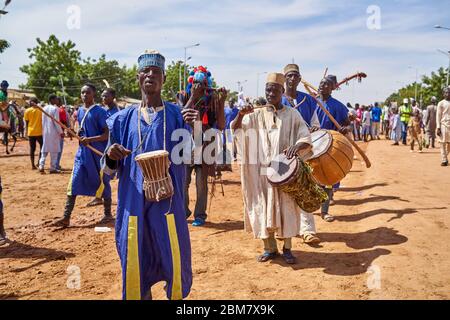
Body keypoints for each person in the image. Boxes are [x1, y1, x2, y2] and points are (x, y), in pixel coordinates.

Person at [103, 49, 192, 300]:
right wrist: (111, 155)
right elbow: (108, 170)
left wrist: (192, 128)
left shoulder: (177, 115)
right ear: (138, 77)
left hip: (168, 200)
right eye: (145, 71)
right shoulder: (121, 119)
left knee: (174, 255)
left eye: (156, 72)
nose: (150, 75)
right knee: (134, 254)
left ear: (163, 78)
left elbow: (189, 157)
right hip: (133, 201)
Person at [231, 72, 314, 264]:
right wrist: (240, 114)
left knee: (286, 207)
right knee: (262, 206)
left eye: (275, 90)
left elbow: (305, 136)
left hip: (284, 172)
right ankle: (269, 248)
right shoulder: (255, 114)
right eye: (268, 90)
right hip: (260, 174)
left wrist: (297, 146)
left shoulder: (292, 114)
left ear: (282, 92)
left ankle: (287, 248)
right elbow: (236, 130)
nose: (271, 93)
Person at [52, 83, 112, 227]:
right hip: (82, 154)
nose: (85, 95)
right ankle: (66, 217)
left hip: (97, 153)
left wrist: (90, 140)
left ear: (94, 94)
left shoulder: (100, 112)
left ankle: (108, 214)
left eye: (88, 92)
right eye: (82, 92)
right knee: (74, 182)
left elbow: (107, 134)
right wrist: (79, 133)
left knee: (102, 181)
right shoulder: (79, 111)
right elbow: (83, 128)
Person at [178, 66, 226, 227]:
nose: (199, 85)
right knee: (183, 181)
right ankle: (183, 212)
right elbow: (180, 117)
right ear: (191, 83)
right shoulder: (183, 96)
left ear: (208, 83)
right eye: (196, 83)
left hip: (205, 144)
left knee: (201, 182)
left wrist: (222, 101)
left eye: (203, 82)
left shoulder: (213, 100)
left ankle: (200, 215)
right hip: (184, 145)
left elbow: (220, 125)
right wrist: (192, 96)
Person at [281, 63, 320, 244]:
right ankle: (284, 228)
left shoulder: (309, 100)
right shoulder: (276, 98)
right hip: (281, 151)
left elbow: (315, 123)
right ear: (284, 78)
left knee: (304, 188)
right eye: (289, 75)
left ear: (299, 79)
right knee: (282, 190)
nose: (292, 79)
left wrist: (313, 128)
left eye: (295, 75)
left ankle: (307, 230)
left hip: (303, 150)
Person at [315, 75, 350, 223]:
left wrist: (343, 129)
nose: (323, 86)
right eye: (321, 83)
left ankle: (325, 211)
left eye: (327, 84)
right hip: (311, 143)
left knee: (327, 179)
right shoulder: (311, 102)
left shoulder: (338, 106)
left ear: (332, 88)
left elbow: (347, 124)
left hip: (329, 147)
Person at [86, 88, 121, 208]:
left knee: (105, 176)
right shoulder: (104, 111)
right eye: (102, 96)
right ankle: (99, 197)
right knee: (102, 175)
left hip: (114, 148)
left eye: (106, 96)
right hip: (105, 147)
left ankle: (107, 207)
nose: (104, 98)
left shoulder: (116, 112)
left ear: (113, 97)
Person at [39, 94, 63, 174]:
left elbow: (42, 122)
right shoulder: (55, 109)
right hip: (53, 132)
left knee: (44, 150)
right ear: (52, 100)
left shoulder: (44, 108)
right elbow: (57, 122)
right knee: (54, 151)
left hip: (46, 132)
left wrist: (44, 130)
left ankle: (41, 166)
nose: (57, 100)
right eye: (56, 99)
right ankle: (53, 168)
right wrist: (61, 132)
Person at [24, 97, 43, 170]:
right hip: (39, 132)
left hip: (31, 132)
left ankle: (32, 165)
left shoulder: (27, 111)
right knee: (42, 148)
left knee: (32, 149)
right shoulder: (40, 110)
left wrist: (26, 132)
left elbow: (27, 122)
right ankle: (39, 162)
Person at [55, 97, 70, 171]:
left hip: (51, 133)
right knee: (59, 149)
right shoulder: (61, 110)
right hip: (60, 132)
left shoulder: (49, 109)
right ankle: (56, 165)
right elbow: (64, 122)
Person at [437, 87, 450, 166]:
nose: (447, 94)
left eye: (448, 92)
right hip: (443, 125)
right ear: (443, 94)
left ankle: (445, 156)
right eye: (445, 92)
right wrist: (438, 127)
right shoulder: (441, 103)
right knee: (442, 143)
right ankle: (444, 160)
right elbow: (438, 116)